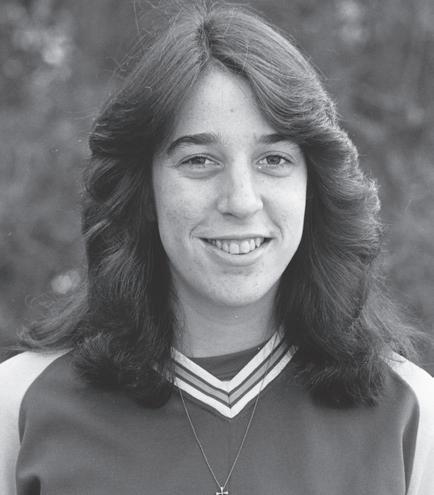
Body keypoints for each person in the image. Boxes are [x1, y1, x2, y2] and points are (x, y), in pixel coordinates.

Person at [1, 2, 433, 494]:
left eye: (274, 159)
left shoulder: (410, 415)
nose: (241, 201)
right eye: (199, 160)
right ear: (144, 190)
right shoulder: (19, 407)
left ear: (314, 187)